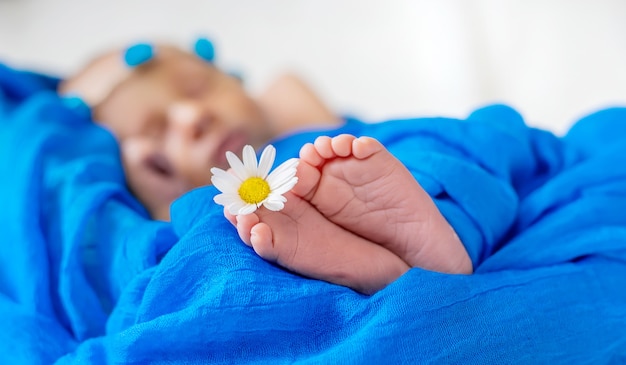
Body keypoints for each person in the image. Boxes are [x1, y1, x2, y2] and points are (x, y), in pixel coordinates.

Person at [59, 40, 472, 295]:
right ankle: (398, 263)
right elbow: (162, 231)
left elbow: (286, 96)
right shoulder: (175, 198)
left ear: (236, 80)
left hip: (365, 179)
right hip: (247, 219)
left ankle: (410, 245)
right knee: (201, 244)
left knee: (410, 164)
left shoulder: (301, 125)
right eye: (158, 133)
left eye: (197, 87)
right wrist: (160, 192)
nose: (193, 116)